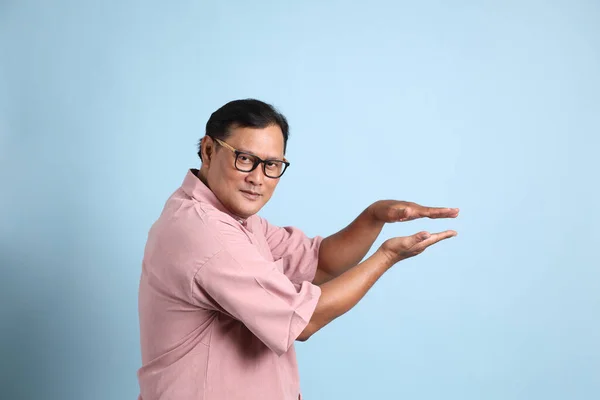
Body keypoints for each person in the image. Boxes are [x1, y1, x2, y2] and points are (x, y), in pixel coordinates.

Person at [136, 99, 459, 400]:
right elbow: (303, 322)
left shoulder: (235, 221)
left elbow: (322, 264)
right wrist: (387, 256)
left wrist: (374, 216)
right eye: (245, 159)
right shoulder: (204, 232)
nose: (258, 179)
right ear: (208, 151)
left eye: (272, 165)